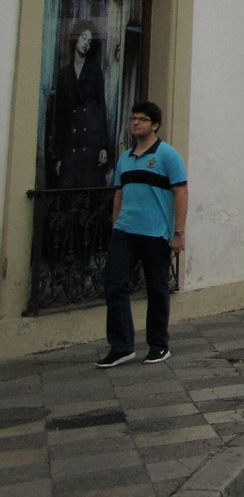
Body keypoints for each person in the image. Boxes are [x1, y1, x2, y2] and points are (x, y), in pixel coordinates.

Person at [98, 102, 186, 367]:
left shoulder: (168, 155)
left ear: (155, 125)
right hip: (125, 231)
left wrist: (178, 233)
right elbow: (119, 194)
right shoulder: (125, 158)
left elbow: (181, 193)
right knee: (114, 285)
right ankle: (121, 346)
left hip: (154, 233)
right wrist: (116, 225)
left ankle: (159, 344)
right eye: (133, 118)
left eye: (142, 119)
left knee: (156, 288)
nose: (136, 123)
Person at [50, 22, 113, 189]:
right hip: (70, 144)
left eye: (90, 41)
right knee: (68, 196)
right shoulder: (64, 74)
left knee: (88, 196)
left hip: (90, 142)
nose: (86, 43)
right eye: (84, 38)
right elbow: (60, 117)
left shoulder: (95, 71)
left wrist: (104, 147)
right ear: (76, 38)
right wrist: (58, 157)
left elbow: (101, 109)